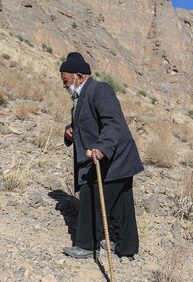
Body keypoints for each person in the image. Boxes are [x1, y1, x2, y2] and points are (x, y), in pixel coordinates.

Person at [59, 52, 144, 260]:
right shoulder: (81, 98)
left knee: (91, 196)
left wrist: (103, 147)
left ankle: (87, 245)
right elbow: (87, 126)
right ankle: (125, 246)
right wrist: (69, 131)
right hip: (115, 159)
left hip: (113, 157)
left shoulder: (100, 90)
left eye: (66, 80)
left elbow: (112, 122)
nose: (64, 84)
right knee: (120, 203)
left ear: (79, 76)